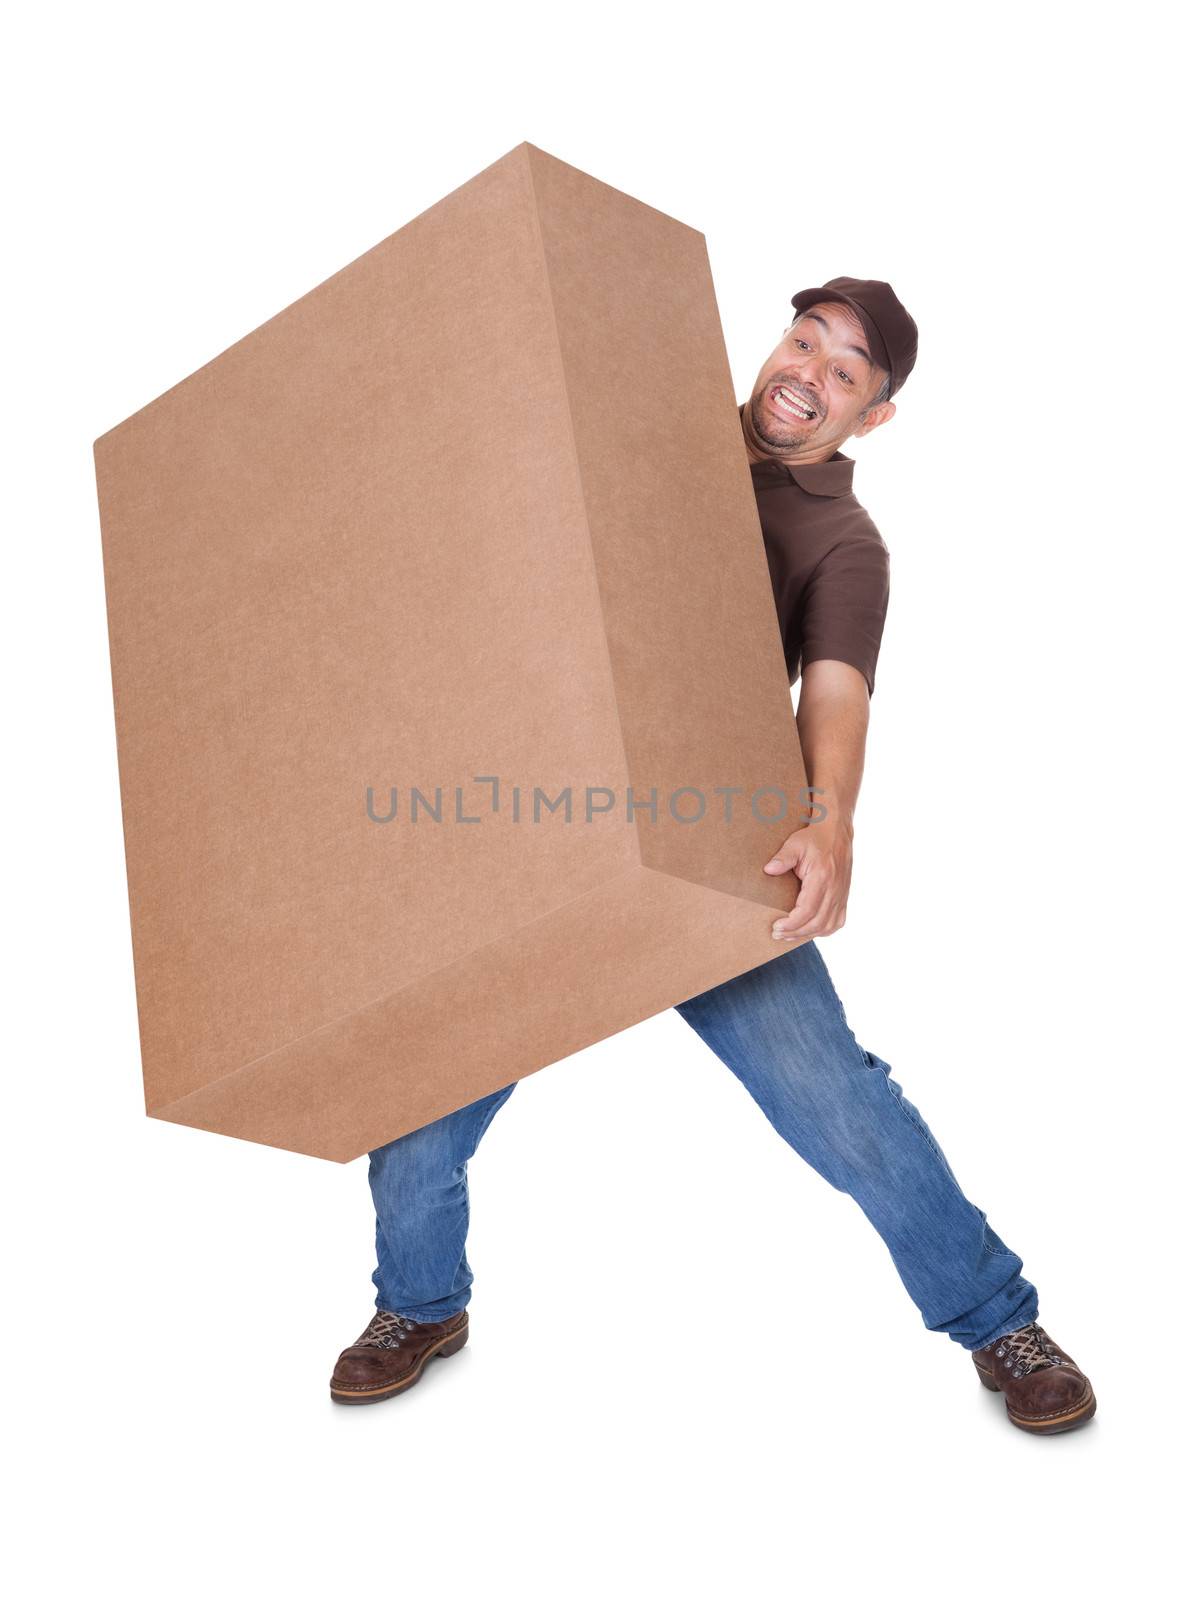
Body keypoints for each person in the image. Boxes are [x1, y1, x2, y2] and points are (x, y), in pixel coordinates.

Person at [329, 277, 1096, 1435]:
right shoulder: (641, 426)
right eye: (805, 342)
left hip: (708, 843)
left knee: (836, 1097)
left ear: (872, 417)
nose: (810, 373)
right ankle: (421, 1304)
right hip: (538, 814)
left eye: (847, 373)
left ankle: (1000, 1320)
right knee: (425, 1074)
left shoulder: (843, 542)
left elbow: (836, 690)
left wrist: (831, 818)